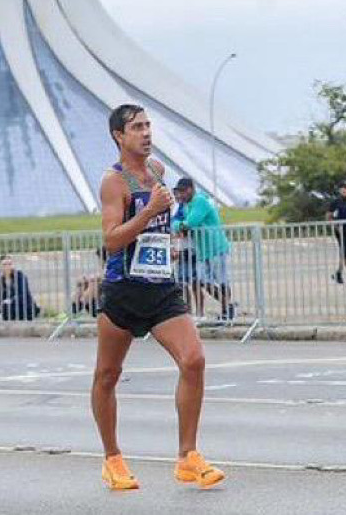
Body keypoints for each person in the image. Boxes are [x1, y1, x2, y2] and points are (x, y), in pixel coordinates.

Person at [91, 104, 225, 491]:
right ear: (119, 135)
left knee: (194, 360)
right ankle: (112, 458)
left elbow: (159, 228)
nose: (146, 133)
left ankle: (188, 457)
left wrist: (168, 243)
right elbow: (112, 239)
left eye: (148, 126)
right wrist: (149, 212)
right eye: (137, 127)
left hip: (161, 287)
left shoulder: (157, 171)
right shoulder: (113, 182)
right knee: (107, 375)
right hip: (124, 289)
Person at [172, 178, 234, 320]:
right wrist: (179, 225)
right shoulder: (188, 205)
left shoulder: (200, 201)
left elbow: (191, 223)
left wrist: (179, 225)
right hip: (202, 249)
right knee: (202, 281)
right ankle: (229, 306)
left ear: (191, 189)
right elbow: (179, 223)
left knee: (222, 280)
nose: (181, 194)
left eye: (183, 191)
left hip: (216, 247)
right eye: (179, 191)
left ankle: (226, 312)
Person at [172, 199, 204, 318]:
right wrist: (179, 227)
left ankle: (200, 312)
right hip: (182, 249)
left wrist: (182, 228)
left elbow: (191, 224)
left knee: (196, 282)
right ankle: (187, 311)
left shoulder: (194, 205)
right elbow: (174, 223)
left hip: (194, 249)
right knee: (182, 282)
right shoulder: (179, 207)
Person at [0, 254, 41, 321]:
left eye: (10, 264)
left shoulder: (19, 276)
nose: (8, 266)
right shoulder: (0, 280)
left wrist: (6, 302)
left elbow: (22, 295)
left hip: (24, 306)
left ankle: (1, 317)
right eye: (4, 264)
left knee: (6, 308)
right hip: (7, 307)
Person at [71, 249, 107, 318]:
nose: (99, 262)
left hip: (106, 301)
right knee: (81, 283)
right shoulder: (106, 268)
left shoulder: (113, 267)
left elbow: (105, 278)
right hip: (94, 301)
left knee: (94, 283)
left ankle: (77, 307)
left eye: (100, 259)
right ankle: (73, 311)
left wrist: (94, 279)